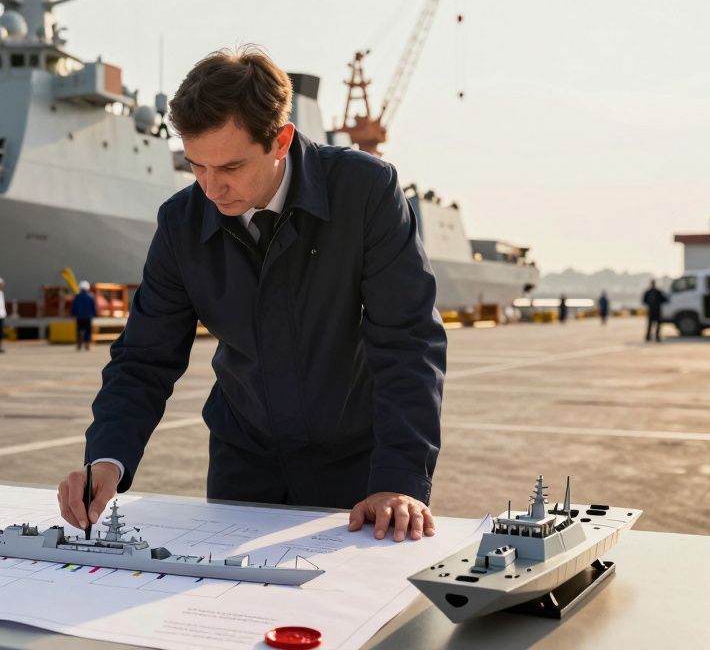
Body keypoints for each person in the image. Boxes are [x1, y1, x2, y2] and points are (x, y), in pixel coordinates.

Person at [57, 46, 445, 543]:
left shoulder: (365, 192)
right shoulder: (181, 223)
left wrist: (399, 480)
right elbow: (143, 359)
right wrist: (106, 458)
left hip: (358, 468)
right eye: (196, 166)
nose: (212, 189)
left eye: (231, 168)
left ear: (281, 140)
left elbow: (408, 341)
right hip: (244, 465)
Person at [72, 280, 96, 351]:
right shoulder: (90, 297)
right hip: (88, 317)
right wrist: (94, 314)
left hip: (79, 317)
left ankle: (79, 344)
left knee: (79, 330)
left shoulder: (77, 297)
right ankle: (87, 344)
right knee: (87, 330)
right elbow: (93, 307)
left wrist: (73, 314)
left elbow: (74, 307)